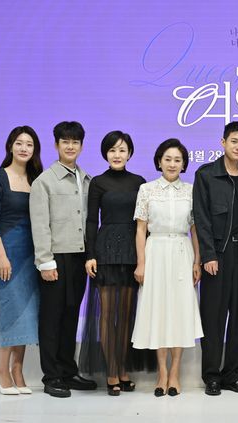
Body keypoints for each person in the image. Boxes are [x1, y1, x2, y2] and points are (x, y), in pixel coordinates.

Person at [193, 121, 238, 396]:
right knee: (213, 317)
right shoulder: (206, 174)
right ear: (223, 142)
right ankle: (211, 375)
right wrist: (208, 255)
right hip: (217, 255)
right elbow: (201, 218)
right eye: (234, 141)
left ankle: (233, 374)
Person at [78, 131, 150, 396]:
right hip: (106, 252)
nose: (117, 155)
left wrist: (144, 258)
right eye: (112, 150)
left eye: (122, 150)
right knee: (108, 315)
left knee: (127, 315)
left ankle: (123, 369)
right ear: (105, 154)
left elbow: (144, 222)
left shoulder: (139, 182)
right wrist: (90, 254)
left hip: (131, 252)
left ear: (130, 153)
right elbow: (90, 221)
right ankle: (111, 372)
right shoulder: (97, 182)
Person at [131, 139, 204, 397]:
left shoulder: (192, 191)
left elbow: (195, 229)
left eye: (177, 160)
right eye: (168, 159)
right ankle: (161, 372)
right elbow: (140, 229)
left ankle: (175, 373)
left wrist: (197, 261)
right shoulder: (146, 190)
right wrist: (141, 263)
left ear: (184, 164)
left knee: (180, 311)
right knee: (159, 311)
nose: (172, 164)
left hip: (182, 251)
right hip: (156, 252)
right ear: (159, 161)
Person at [30, 121, 97, 398]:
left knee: (70, 316)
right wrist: (45, 261)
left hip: (79, 257)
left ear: (81, 145)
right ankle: (52, 376)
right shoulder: (44, 181)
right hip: (55, 258)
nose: (71, 146)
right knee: (51, 318)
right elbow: (39, 224)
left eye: (75, 142)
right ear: (56, 145)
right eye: (65, 141)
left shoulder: (87, 179)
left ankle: (68, 371)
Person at [0, 126, 43, 395]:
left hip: (32, 254)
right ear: (10, 146)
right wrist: (1, 255)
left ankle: (18, 369)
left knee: (29, 312)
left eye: (29, 144)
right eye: (19, 143)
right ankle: (1, 371)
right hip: (6, 252)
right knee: (8, 310)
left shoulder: (37, 179)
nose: (24, 148)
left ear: (35, 149)